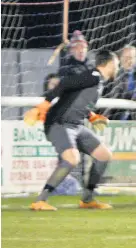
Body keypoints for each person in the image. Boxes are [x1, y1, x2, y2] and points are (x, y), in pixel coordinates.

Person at [25, 50, 119, 211]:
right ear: (110, 64)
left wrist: (92, 116)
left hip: (76, 125)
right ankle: (40, 200)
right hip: (59, 123)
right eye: (117, 65)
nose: (118, 68)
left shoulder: (98, 81)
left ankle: (87, 200)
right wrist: (44, 105)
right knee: (72, 159)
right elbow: (64, 83)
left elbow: (74, 99)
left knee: (104, 156)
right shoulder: (93, 76)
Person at [100, 45, 136, 120]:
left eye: (131, 57)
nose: (128, 60)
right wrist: (134, 96)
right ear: (120, 58)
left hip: (131, 118)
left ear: (135, 59)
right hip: (112, 118)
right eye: (126, 57)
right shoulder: (114, 73)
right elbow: (117, 93)